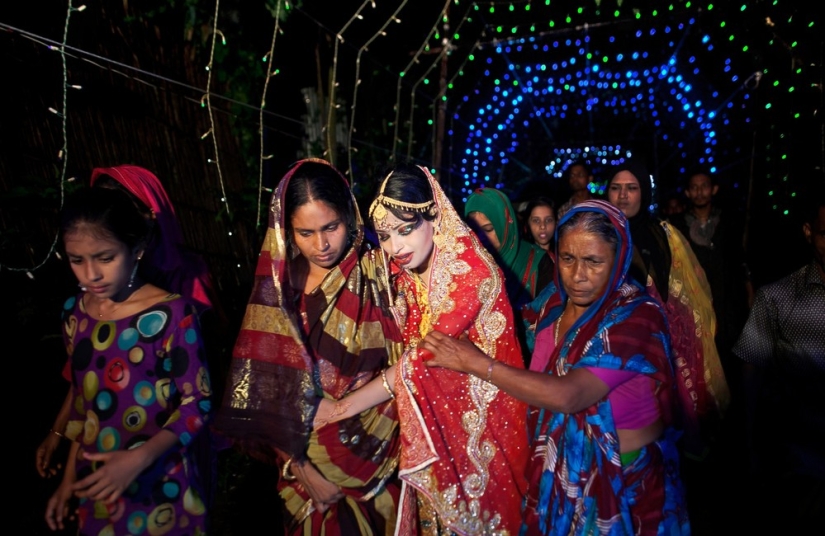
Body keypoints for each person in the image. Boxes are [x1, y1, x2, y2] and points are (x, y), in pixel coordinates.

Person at [420, 200, 690, 535]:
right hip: (558, 470)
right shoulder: (552, 302)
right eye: (567, 259)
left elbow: (569, 396)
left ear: (619, 259)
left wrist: (475, 363)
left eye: (594, 262)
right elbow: (513, 345)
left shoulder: (636, 316)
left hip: (623, 481)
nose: (578, 276)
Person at [313, 164, 529, 535]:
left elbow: (419, 360)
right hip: (437, 431)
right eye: (384, 235)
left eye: (405, 229)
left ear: (434, 215)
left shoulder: (468, 271)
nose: (395, 246)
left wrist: (340, 409)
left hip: (484, 433)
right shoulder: (407, 272)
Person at [215, 159, 404, 534]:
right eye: (305, 232)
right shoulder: (277, 290)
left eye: (331, 227)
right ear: (286, 231)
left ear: (350, 216)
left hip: (379, 454)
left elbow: (411, 362)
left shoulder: (380, 272)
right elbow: (266, 391)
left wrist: (340, 409)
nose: (321, 245)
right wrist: (301, 468)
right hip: (303, 468)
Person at [35, 165, 222, 485]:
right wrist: (60, 436)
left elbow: (196, 394)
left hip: (172, 454)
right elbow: (86, 380)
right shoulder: (89, 300)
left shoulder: (182, 294)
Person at [606, 162, 730, 458]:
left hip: (657, 341)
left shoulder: (662, 234)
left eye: (632, 188)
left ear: (645, 193)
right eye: (616, 188)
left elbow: (685, 293)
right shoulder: (596, 232)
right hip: (609, 344)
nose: (623, 195)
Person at [733, 196, 825, 532]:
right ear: (808, 232)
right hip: (803, 461)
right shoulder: (777, 299)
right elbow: (751, 371)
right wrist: (750, 445)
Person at [670, 170, 752, 388]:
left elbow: (741, 263)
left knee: (731, 364)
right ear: (688, 192)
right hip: (694, 307)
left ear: (714, 189)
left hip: (728, 305)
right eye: (694, 187)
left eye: (704, 186)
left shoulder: (729, 222)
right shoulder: (678, 226)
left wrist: (748, 297)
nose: (700, 192)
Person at [465, 187, 554, 306]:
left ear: (505, 226)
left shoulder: (538, 261)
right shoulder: (464, 265)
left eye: (488, 229)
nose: (481, 237)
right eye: (474, 230)